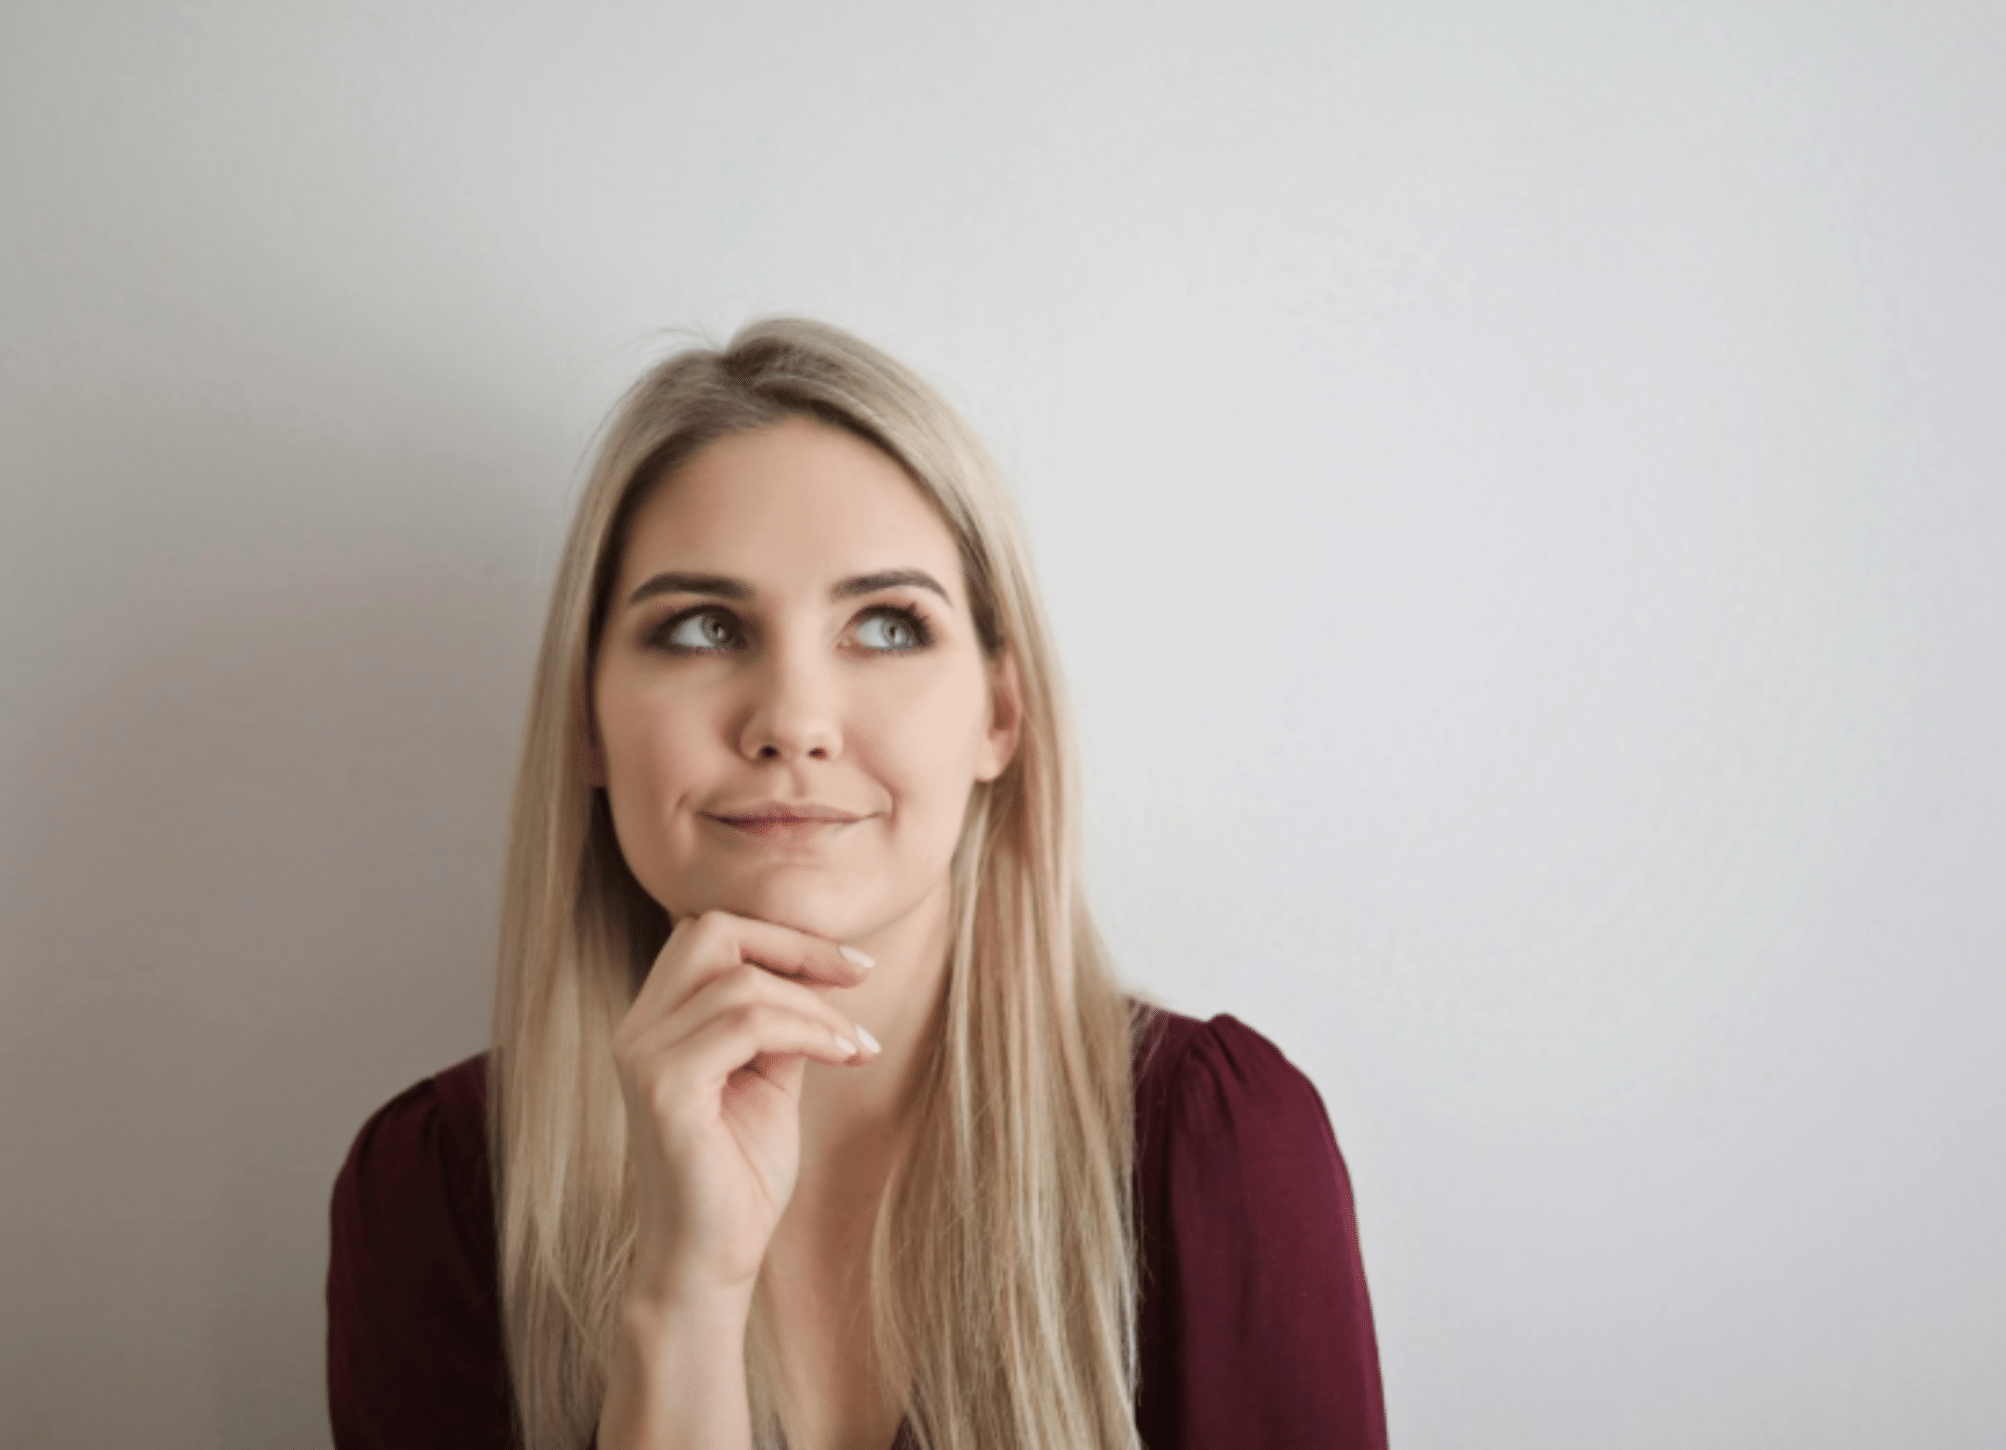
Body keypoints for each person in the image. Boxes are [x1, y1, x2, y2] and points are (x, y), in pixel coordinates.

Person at [327, 320, 1387, 1450]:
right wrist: (680, 1307)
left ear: (998, 715)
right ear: (587, 719)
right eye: (701, 628)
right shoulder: (434, 1190)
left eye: (886, 626)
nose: (790, 720)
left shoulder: (1213, 1146)